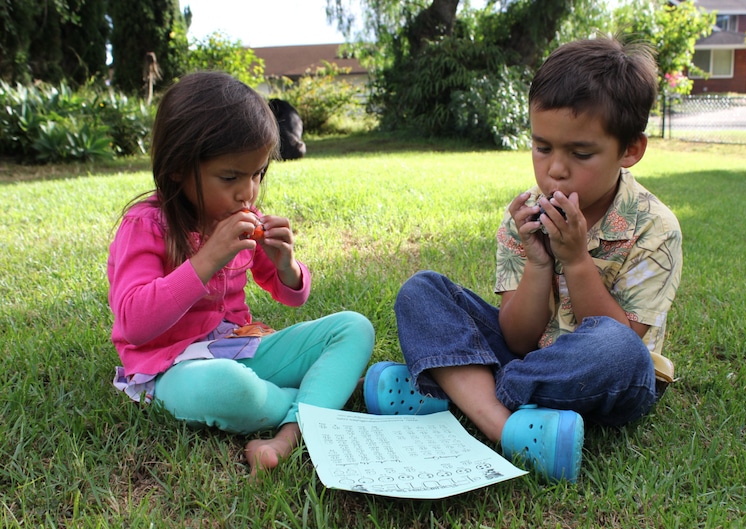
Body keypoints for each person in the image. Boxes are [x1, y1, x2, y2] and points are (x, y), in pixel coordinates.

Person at [363, 37, 682, 483]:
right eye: (542, 146)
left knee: (617, 348)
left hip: (608, 379)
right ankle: (505, 425)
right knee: (423, 290)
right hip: (529, 356)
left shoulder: (656, 228)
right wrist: (536, 262)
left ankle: (456, 387)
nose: (555, 169)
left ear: (630, 150)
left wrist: (574, 260)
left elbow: (621, 336)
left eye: (581, 153)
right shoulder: (527, 213)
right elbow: (516, 337)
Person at [107, 71, 374, 475]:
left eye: (258, 175)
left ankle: (287, 434)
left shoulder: (240, 218)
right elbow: (134, 323)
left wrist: (287, 265)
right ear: (179, 167)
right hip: (172, 368)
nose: (247, 192)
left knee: (354, 328)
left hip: (241, 347)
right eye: (230, 177)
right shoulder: (146, 226)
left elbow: (289, 294)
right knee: (229, 388)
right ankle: (317, 398)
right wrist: (207, 258)